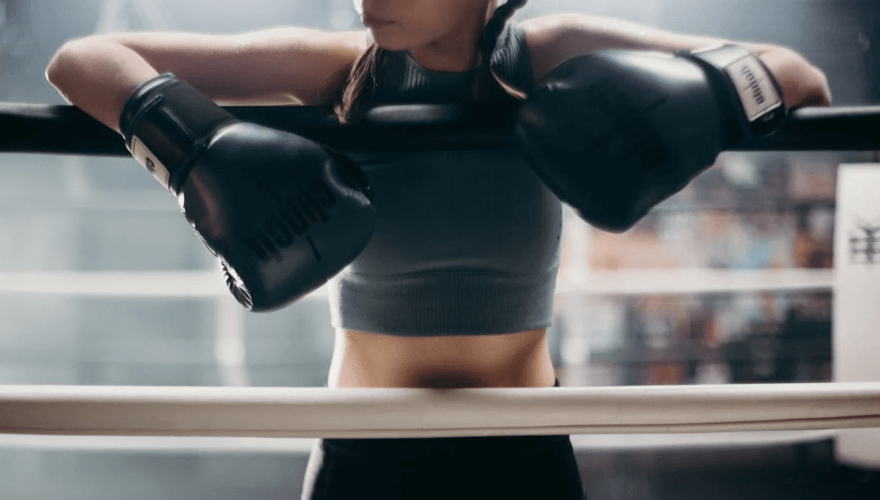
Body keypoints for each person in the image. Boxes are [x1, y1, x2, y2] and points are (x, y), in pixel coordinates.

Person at [44, 1, 832, 499]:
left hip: (519, 446)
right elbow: (79, 62)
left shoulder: (543, 53)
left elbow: (797, 74)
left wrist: (709, 102)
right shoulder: (337, 68)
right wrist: (199, 148)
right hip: (367, 446)